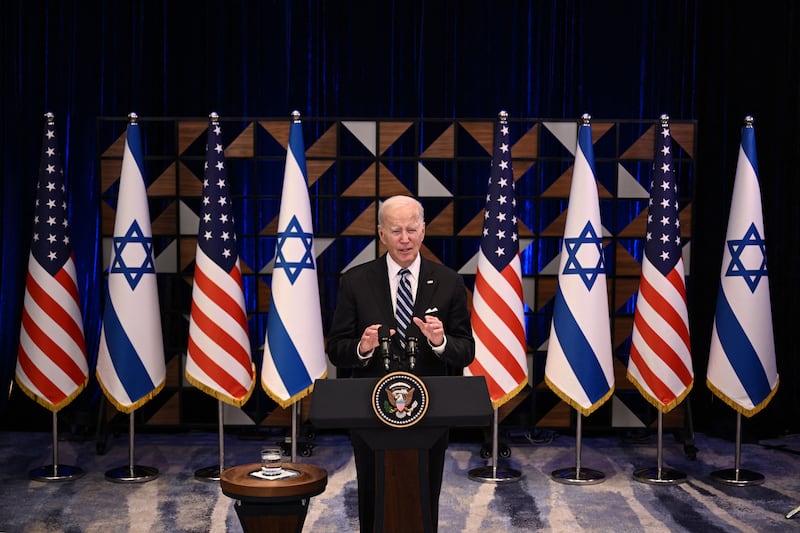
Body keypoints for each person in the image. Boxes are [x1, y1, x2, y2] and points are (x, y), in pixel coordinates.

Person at [326, 194, 475, 532]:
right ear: (381, 234)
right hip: (370, 410)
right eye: (396, 231)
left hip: (430, 411)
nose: (405, 239)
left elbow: (466, 350)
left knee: (424, 492)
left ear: (423, 231)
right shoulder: (355, 281)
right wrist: (362, 348)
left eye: (411, 229)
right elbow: (336, 349)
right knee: (373, 493)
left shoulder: (449, 281)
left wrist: (440, 342)